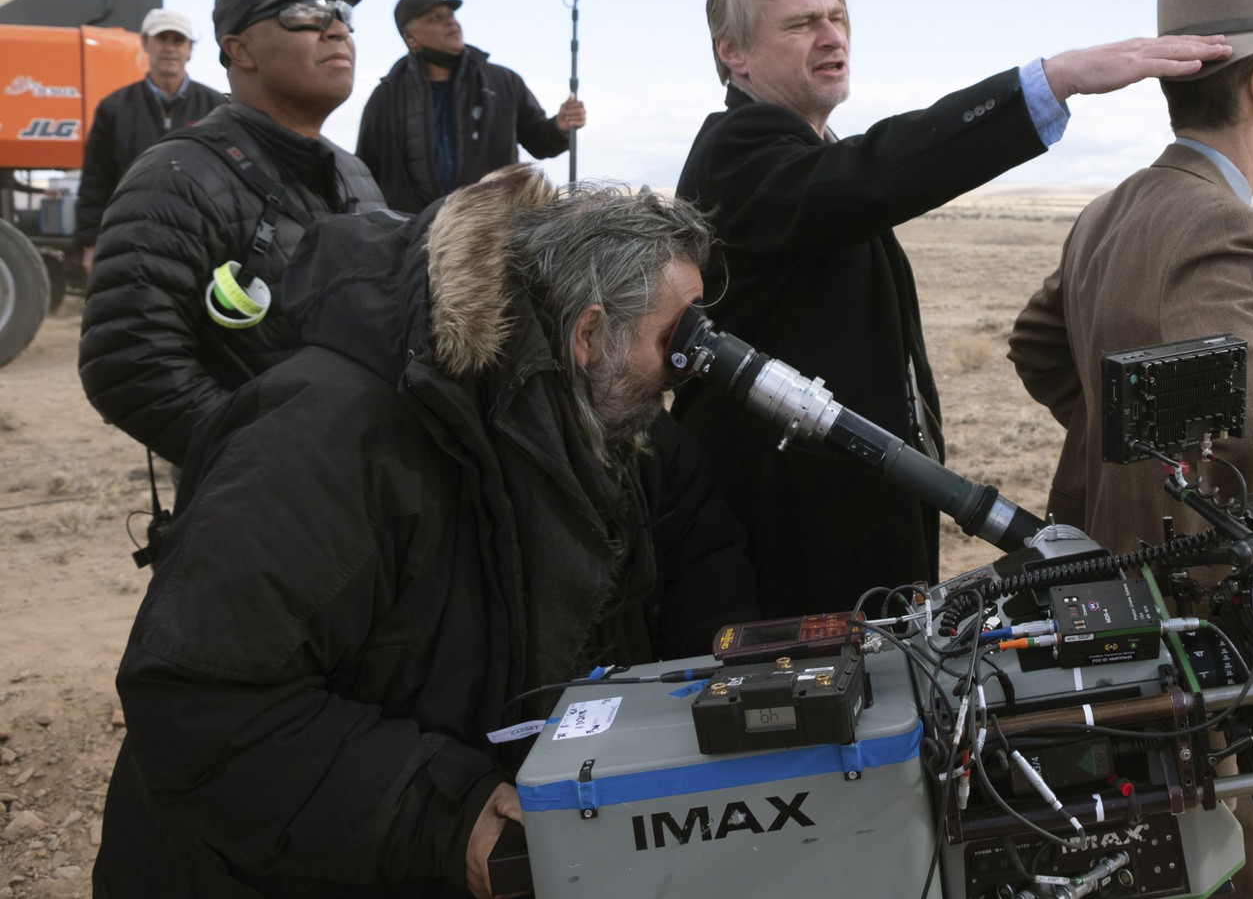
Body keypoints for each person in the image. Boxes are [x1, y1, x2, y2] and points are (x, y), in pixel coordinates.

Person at [93, 168, 759, 898]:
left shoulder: (593, 425)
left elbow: (702, 562)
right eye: (674, 338)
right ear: (589, 332)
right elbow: (196, 699)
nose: (682, 371)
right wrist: (450, 812)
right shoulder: (330, 439)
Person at [671, 0, 1232, 618]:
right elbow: (874, 176)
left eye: (837, 17)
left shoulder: (809, 153)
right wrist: (1052, 82)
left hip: (853, 517)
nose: (829, 35)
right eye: (800, 23)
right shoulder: (739, 150)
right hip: (788, 542)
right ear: (734, 52)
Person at [1007, 0, 1253, 899]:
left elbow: (1039, 345)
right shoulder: (1226, 226)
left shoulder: (1109, 210)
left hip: (1102, 588)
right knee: (1238, 842)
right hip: (1206, 611)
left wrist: (1115, 451)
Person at [79, 0, 385, 468]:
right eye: (306, 12)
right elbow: (129, 365)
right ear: (239, 49)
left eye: (342, 13)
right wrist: (273, 461)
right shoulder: (176, 175)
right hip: (266, 513)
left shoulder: (356, 174)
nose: (336, 28)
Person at [355, 0, 582, 213]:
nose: (451, 23)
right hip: (408, 236)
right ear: (410, 38)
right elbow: (364, 175)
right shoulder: (385, 96)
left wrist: (559, 128)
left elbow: (540, 143)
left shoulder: (504, 81)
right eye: (436, 19)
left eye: (451, 16)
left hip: (492, 230)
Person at [74, 8, 227, 269]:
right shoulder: (114, 108)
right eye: (162, 39)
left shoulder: (217, 108)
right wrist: (91, 241)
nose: (170, 48)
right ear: (145, 43)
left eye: (178, 40)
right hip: (131, 237)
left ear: (190, 49)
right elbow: (96, 180)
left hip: (199, 238)